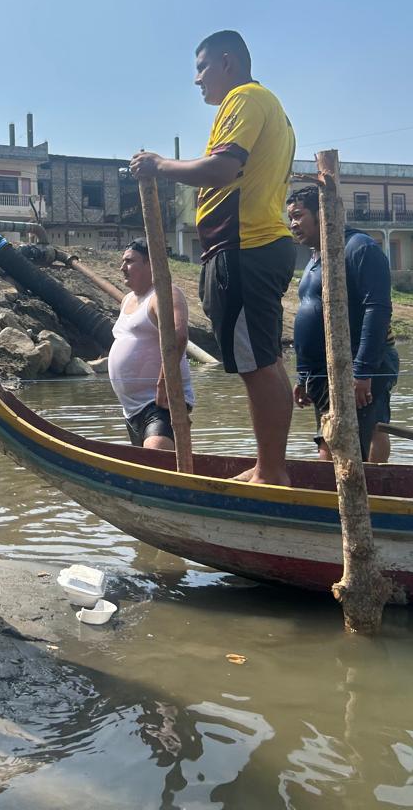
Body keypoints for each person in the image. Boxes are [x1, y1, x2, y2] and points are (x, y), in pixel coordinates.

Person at [130, 30, 296, 486]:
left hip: (244, 248)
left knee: (256, 365)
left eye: (202, 68)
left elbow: (223, 169)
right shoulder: (270, 107)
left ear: (228, 62)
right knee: (264, 360)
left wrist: (159, 165)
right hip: (258, 246)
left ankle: (271, 473)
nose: (197, 79)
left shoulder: (244, 98)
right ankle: (270, 466)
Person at [286, 186, 400, 463]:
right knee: (329, 436)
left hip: (359, 365)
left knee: (365, 432)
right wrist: (304, 376)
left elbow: (377, 309)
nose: (293, 224)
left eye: (298, 215)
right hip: (323, 371)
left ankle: (372, 487)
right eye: (290, 218)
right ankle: (337, 488)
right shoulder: (316, 257)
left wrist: (362, 371)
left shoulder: (359, 248)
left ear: (323, 213)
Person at [108, 240, 195, 450]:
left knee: (156, 461)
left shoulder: (164, 294)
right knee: (148, 465)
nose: (122, 267)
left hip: (160, 402)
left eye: (129, 261)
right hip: (132, 411)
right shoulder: (127, 300)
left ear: (150, 264)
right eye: (122, 262)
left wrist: (165, 382)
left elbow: (179, 337)